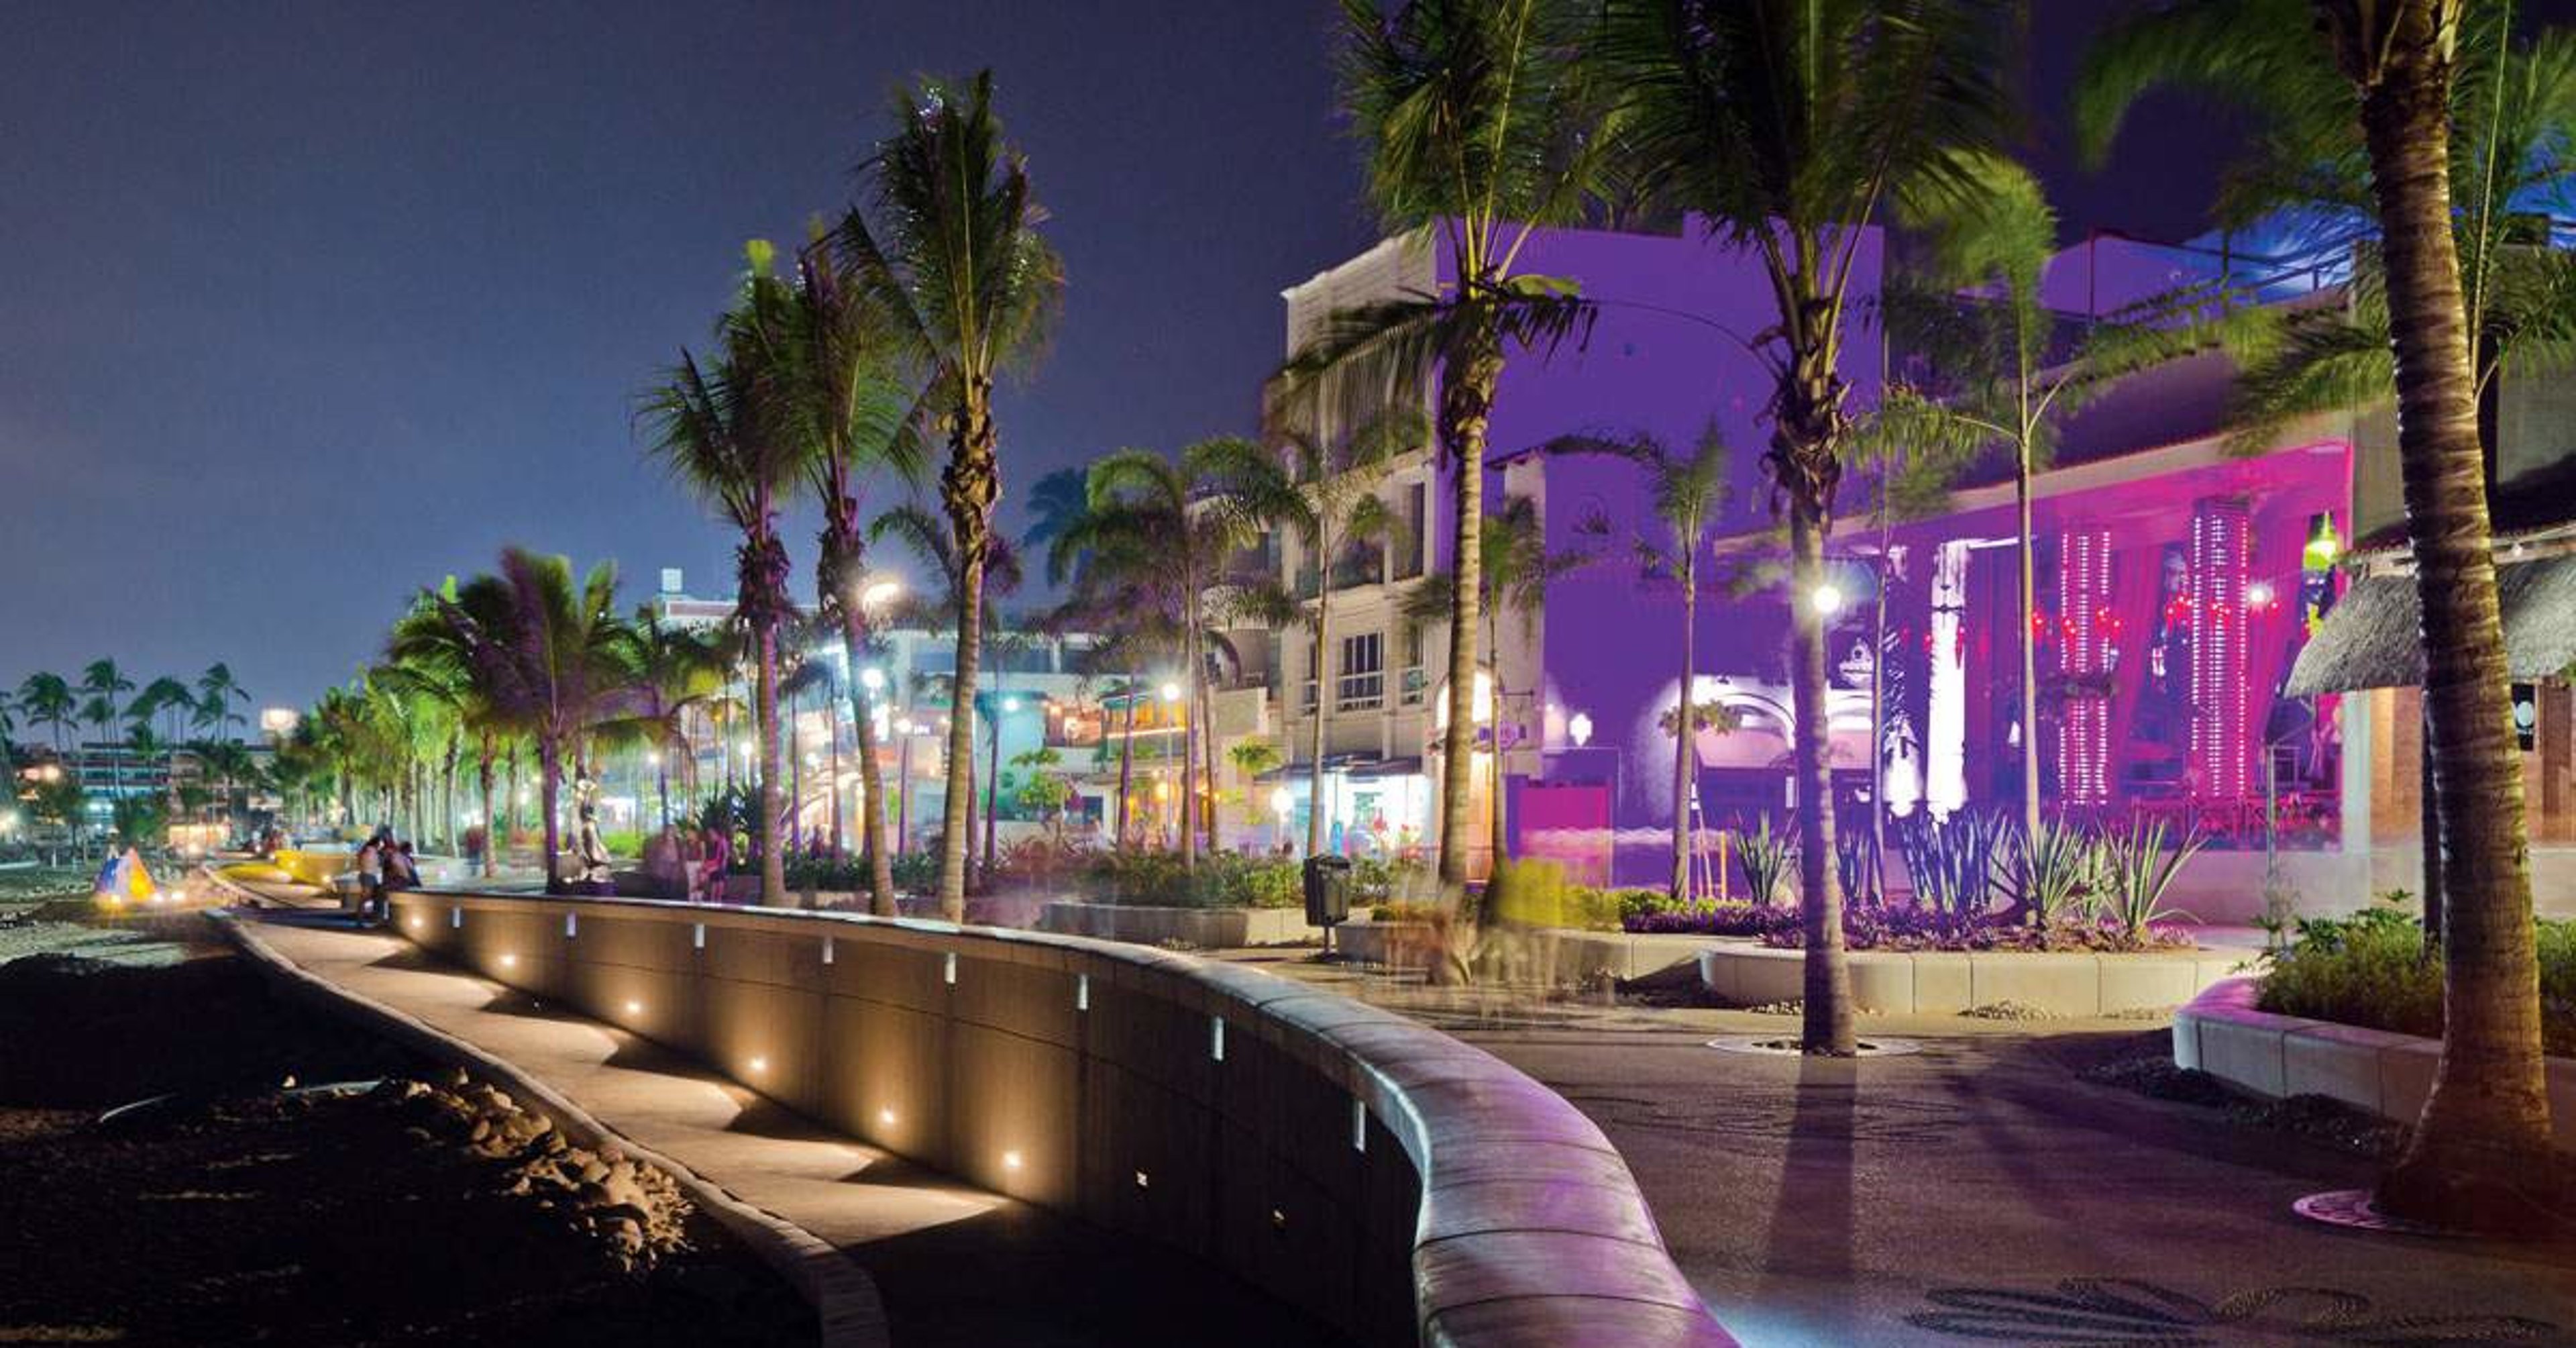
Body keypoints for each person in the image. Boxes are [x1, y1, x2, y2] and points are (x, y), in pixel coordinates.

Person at [699, 822, 730, 904]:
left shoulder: (722, 840)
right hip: (713, 865)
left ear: (716, 831)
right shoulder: (710, 841)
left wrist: (724, 863)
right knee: (713, 883)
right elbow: (707, 854)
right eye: (709, 831)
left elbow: (726, 853)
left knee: (720, 883)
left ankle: (719, 901)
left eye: (711, 831)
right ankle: (712, 901)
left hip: (720, 864)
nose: (710, 833)